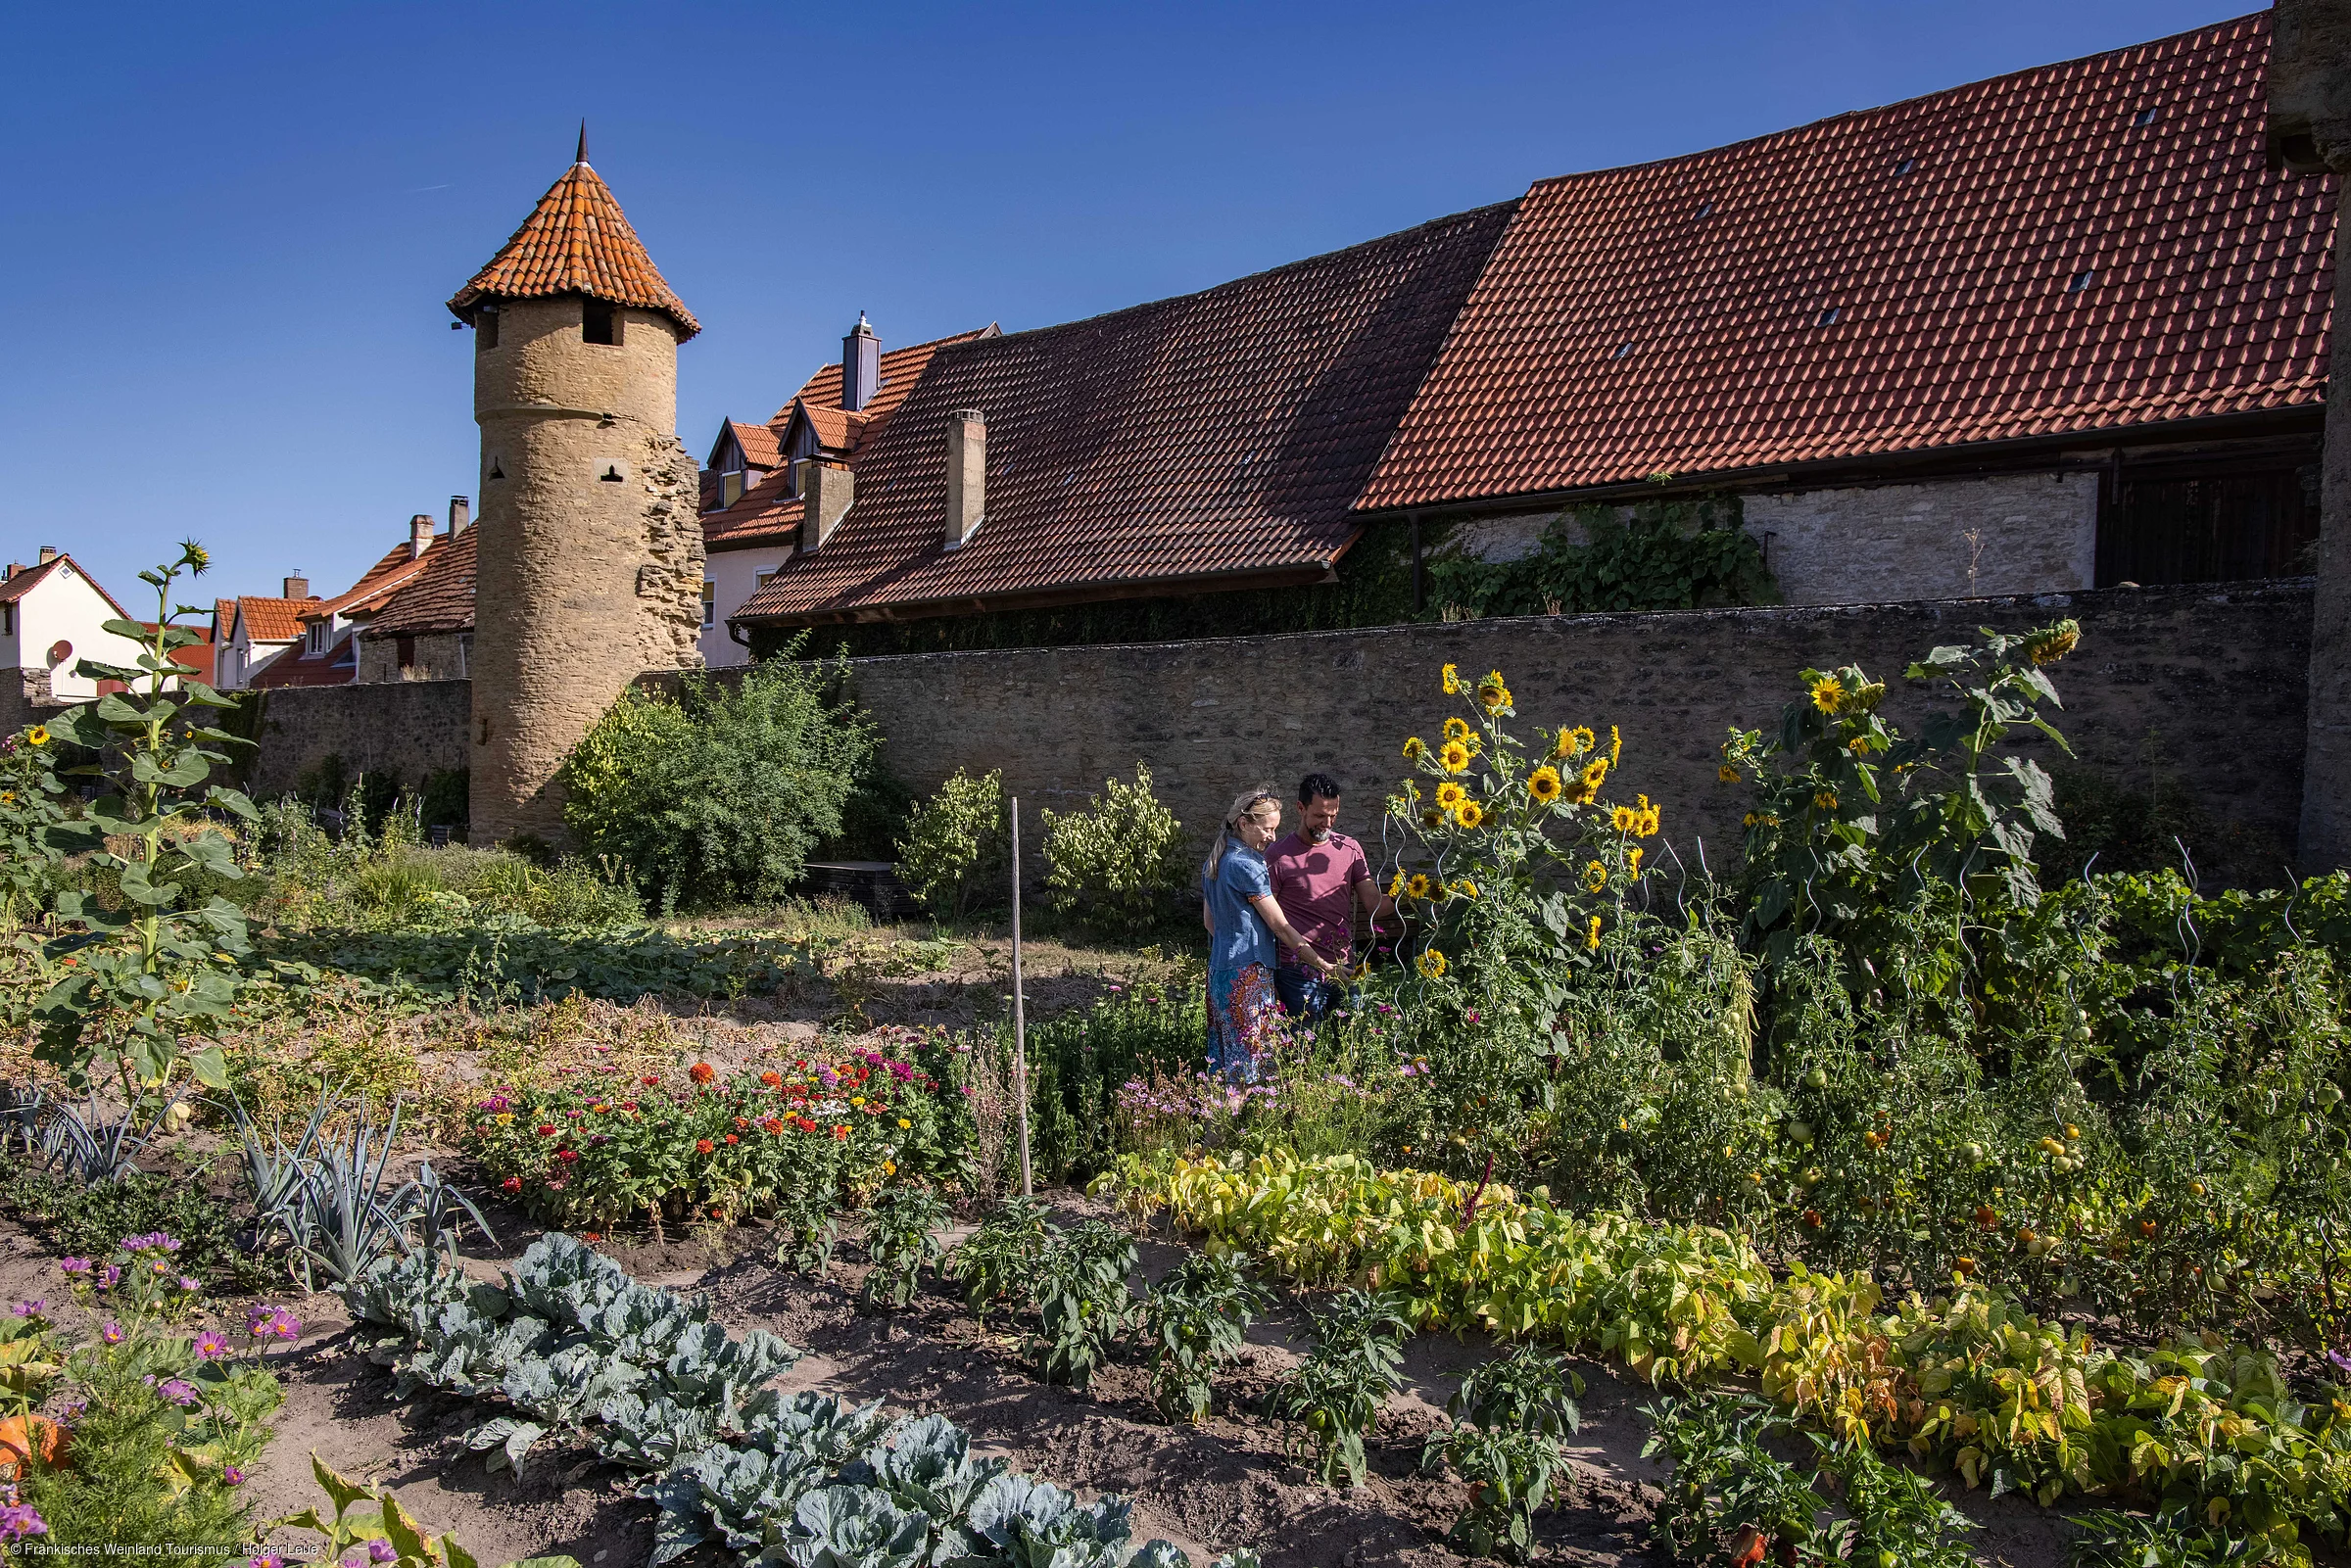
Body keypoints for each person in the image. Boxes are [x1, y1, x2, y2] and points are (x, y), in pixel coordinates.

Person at [1201, 785, 1344, 1078]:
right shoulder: (1248, 866)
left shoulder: (1216, 860)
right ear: (1244, 823)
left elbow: (1210, 924)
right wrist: (1325, 966)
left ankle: (1216, 1124)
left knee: (1225, 1069)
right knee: (1246, 1074)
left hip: (1219, 972)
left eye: (1276, 829)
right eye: (1267, 829)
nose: (1272, 837)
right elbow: (1280, 926)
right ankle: (1224, 1124)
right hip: (1247, 975)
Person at [1267, 773, 1392, 1020]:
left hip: (1343, 964)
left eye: (1333, 815)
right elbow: (1269, 921)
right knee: (1304, 1046)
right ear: (1300, 808)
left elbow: (1374, 905)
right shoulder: (1277, 856)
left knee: (1354, 1041)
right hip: (1296, 970)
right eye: (1320, 816)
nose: (1327, 823)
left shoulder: (1349, 849)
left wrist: (1409, 893)